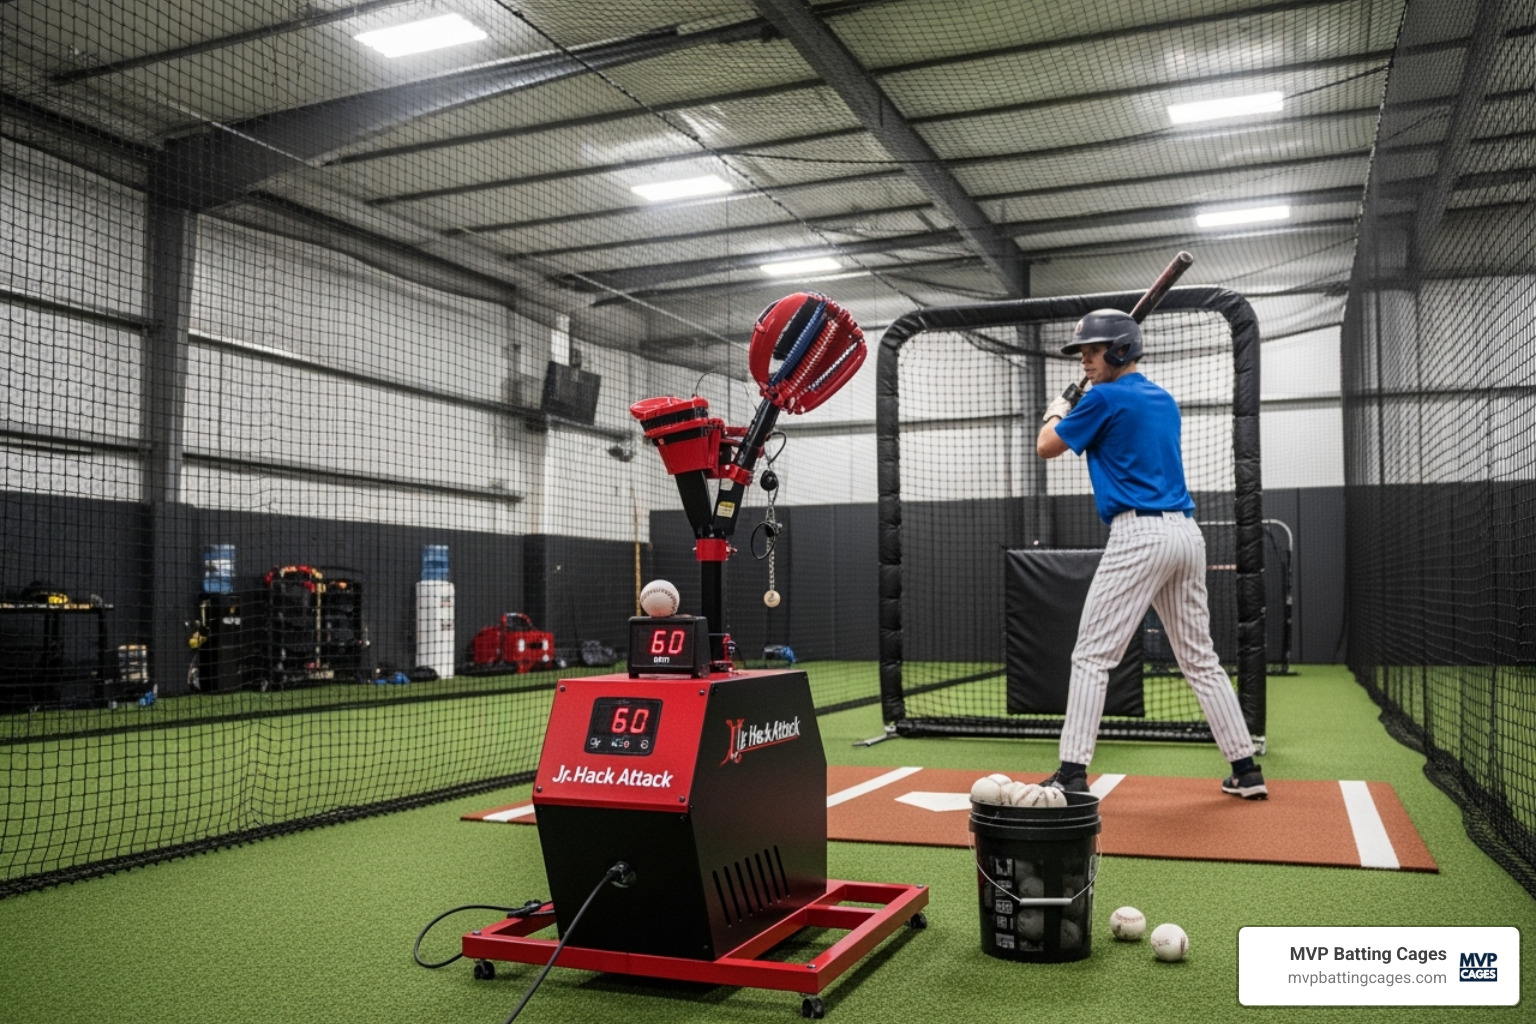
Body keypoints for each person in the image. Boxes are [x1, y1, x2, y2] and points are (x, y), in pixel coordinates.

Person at [1035, 309, 1266, 799]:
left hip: (1138, 537)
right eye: (1082, 354)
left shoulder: (1101, 399)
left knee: (1092, 656)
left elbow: (1046, 447)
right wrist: (1083, 398)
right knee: (1200, 659)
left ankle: (1072, 772)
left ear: (1119, 351)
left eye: (1092, 352)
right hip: (1186, 536)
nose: (1085, 362)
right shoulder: (1162, 398)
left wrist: (1058, 407)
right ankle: (1246, 769)